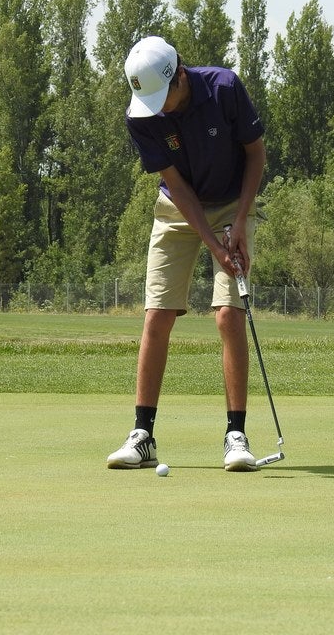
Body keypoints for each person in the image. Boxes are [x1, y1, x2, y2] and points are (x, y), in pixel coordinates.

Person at [106, 36, 267, 472]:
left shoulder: (224, 88)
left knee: (227, 314)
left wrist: (240, 220)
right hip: (178, 208)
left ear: (180, 75)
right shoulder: (142, 116)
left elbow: (256, 155)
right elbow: (177, 187)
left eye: (164, 98)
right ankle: (143, 436)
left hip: (234, 202)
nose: (158, 109)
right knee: (157, 313)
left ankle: (236, 436)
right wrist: (213, 244)